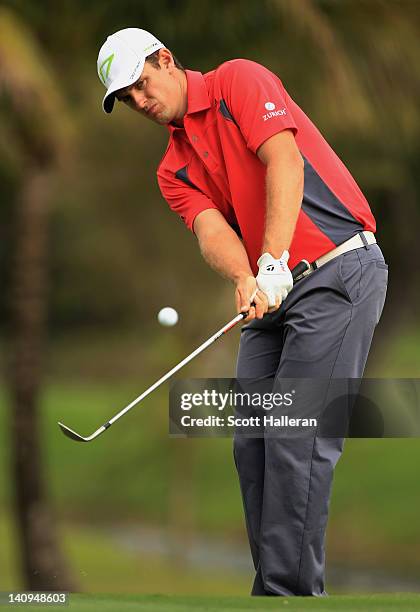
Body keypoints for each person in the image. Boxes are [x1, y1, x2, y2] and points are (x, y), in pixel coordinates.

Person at [97, 28, 388, 596]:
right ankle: (277, 589)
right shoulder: (171, 168)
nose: (139, 102)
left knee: (295, 435)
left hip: (337, 271)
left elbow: (285, 162)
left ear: (166, 59)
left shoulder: (238, 81)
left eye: (140, 84)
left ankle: (288, 596)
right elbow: (211, 230)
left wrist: (274, 259)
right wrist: (244, 276)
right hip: (271, 291)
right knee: (251, 442)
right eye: (127, 99)